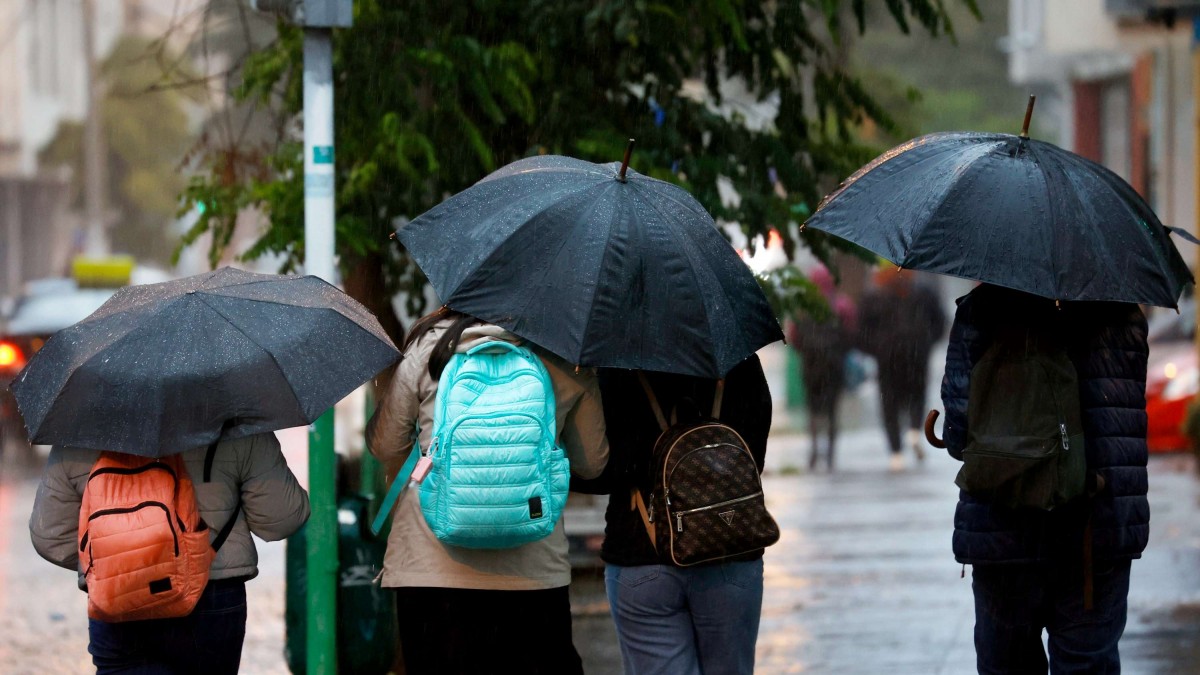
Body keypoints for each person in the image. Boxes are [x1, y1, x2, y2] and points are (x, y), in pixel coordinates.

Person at [366, 307, 608, 675]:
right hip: (533, 571)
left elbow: (385, 446)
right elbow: (593, 462)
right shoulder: (561, 352)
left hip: (431, 570)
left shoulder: (430, 349)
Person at [939, 284, 1149, 673]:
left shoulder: (981, 311)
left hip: (1002, 529)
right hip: (1096, 528)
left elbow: (958, 434)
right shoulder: (1121, 313)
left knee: (1008, 663)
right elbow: (1125, 427)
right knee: (1087, 662)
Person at [29, 432, 310, 674]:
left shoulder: (79, 430)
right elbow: (281, 519)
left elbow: (50, 535)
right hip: (212, 596)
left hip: (117, 596)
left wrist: (118, 561)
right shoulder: (237, 420)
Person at [574, 355, 772, 675]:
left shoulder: (617, 360)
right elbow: (752, 457)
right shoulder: (737, 357)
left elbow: (601, 470)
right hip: (730, 548)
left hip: (642, 552)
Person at [858, 267, 946, 471]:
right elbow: (940, 322)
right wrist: (926, 343)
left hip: (888, 358)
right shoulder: (924, 293)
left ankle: (896, 452)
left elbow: (862, 330)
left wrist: (876, 349)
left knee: (889, 403)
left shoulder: (876, 296)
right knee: (917, 394)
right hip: (917, 354)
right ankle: (915, 431)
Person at [787, 264, 857, 470]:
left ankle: (815, 448)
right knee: (832, 410)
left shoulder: (803, 307)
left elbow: (794, 338)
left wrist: (808, 352)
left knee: (813, 409)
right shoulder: (841, 305)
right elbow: (851, 334)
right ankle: (831, 455)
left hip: (811, 366)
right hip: (834, 367)